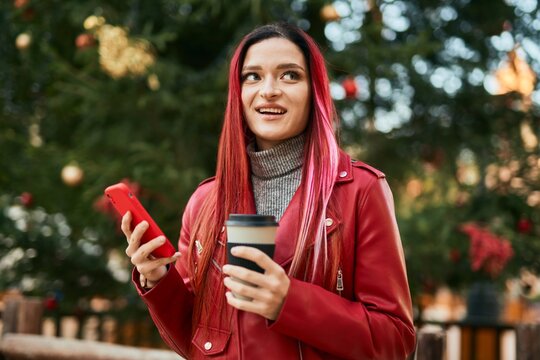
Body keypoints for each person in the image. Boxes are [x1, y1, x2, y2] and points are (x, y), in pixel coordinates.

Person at [122, 22, 416, 359]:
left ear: (314, 91)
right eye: (253, 76)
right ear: (239, 93)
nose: (269, 90)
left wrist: (289, 302)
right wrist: (158, 280)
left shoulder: (360, 191)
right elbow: (197, 339)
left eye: (290, 75)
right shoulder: (206, 201)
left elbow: (395, 339)